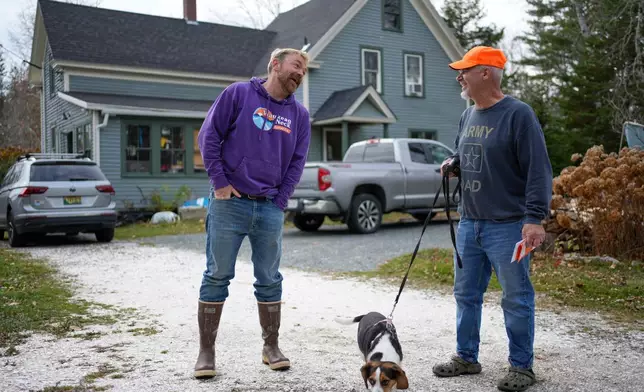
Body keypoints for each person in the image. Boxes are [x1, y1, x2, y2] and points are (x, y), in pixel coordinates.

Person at [432, 46, 553, 392]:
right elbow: (463, 152)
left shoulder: (519, 114)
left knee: (515, 296)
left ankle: (521, 368)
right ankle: (466, 357)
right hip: (470, 222)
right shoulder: (467, 115)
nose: (459, 77)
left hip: (508, 225)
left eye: (465, 71)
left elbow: (538, 171)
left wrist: (534, 218)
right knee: (465, 294)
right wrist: (453, 164)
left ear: (485, 73)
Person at [193, 47, 311, 379]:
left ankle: (271, 347)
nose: (300, 73)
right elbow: (209, 136)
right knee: (217, 276)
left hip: (269, 207)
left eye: (305, 70)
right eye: (296, 66)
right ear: (274, 65)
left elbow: (297, 161)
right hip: (230, 203)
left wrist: (281, 199)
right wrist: (219, 183)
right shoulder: (239, 94)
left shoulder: (299, 116)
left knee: (270, 279)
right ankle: (206, 352)